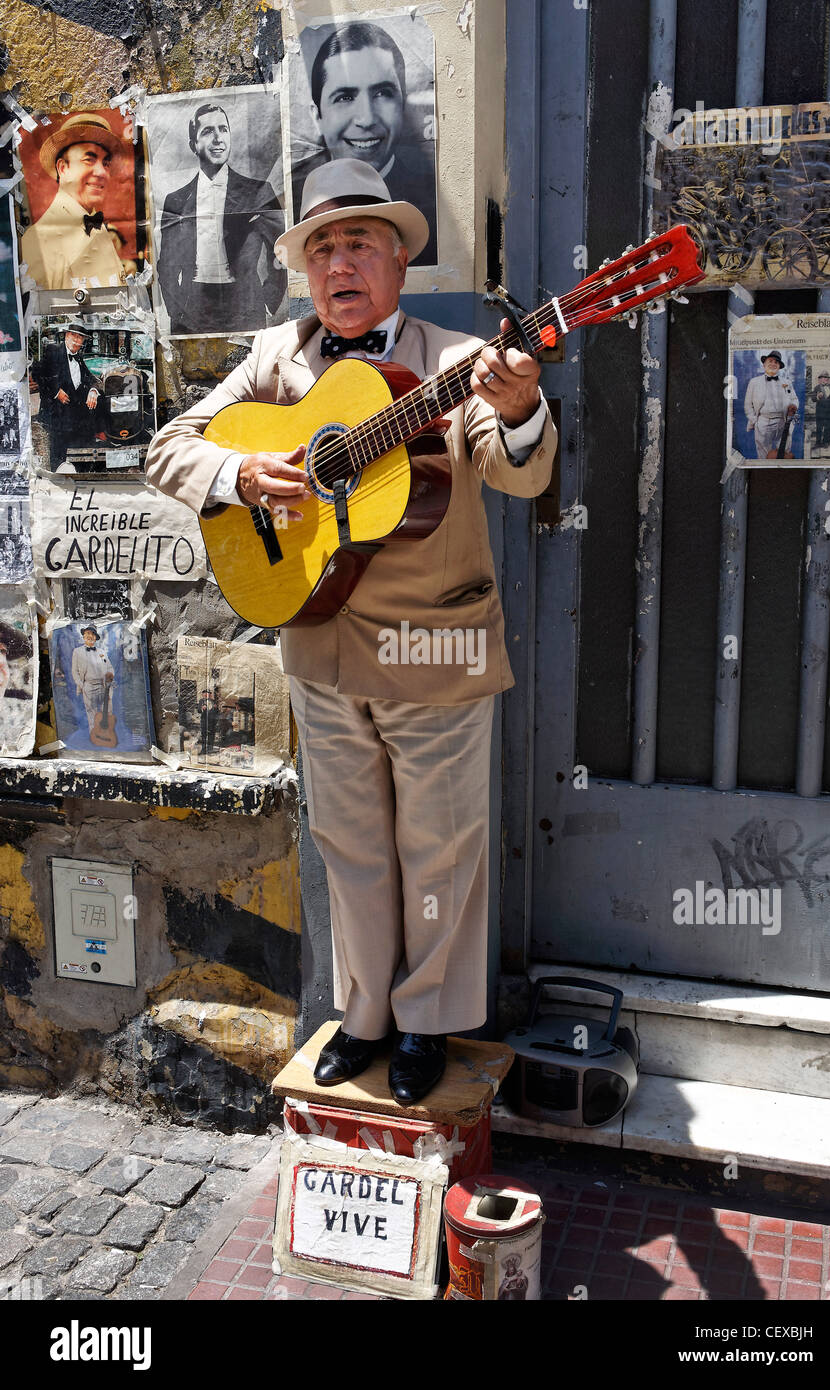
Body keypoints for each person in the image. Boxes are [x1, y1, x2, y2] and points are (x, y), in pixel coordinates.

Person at [147, 159, 556, 1104]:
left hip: (436, 650)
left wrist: (521, 406)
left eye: (358, 243)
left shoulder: (457, 365)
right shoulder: (274, 360)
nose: (338, 263)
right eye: (321, 246)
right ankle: (365, 1013)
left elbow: (520, 474)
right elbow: (170, 446)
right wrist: (241, 478)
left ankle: (425, 1023)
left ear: (399, 262)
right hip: (321, 645)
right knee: (351, 840)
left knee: (438, 847)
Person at [291, 21, 437, 266]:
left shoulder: (429, 211)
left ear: (402, 105)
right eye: (345, 97)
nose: (366, 119)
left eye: (382, 94)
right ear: (317, 117)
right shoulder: (296, 202)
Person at [158, 102, 286, 335]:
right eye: (207, 131)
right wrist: (177, 312)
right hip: (193, 307)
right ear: (193, 145)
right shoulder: (175, 200)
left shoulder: (258, 191)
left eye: (223, 129)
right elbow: (165, 266)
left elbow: (281, 248)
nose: (218, 138)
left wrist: (269, 301)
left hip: (245, 304)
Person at [20, 113, 128, 290]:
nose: (101, 172)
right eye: (89, 160)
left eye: (106, 163)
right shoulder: (37, 241)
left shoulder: (98, 228)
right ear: (63, 168)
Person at [33, 319, 107, 470]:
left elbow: (91, 378)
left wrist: (93, 391)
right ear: (67, 336)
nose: (76, 340)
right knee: (58, 457)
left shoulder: (78, 357)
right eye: (73, 335)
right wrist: (55, 391)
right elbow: (37, 373)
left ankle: (82, 472)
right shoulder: (53, 350)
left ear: (83, 341)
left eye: (80, 337)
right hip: (56, 416)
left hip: (75, 417)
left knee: (79, 453)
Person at [743, 350, 798, 458]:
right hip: (763, 421)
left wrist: (794, 406)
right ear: (764, 364)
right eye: (770, 361)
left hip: (783, 421)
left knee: (784, 452)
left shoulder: (786, 382)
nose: (773, 364)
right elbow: (748, 405)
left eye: (776, 362)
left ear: (779, 366)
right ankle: (764, 472)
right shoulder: (754, 382)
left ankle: (781, 472)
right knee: (763, 454)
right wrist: (755, 421)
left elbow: (794, 398)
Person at [70, 625, 114, 733]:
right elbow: (74, 671)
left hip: (103, 686)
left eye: (93, 634)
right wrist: (82, 685)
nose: (90, 636)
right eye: (88, 633)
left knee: (107, 711)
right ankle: (94, 736)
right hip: (88, 686)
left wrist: (110, 677)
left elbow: (109, 667)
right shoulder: (77, 651)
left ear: (96, 638)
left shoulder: (101, 652)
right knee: (92, 712)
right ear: (84, 636)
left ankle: (106, 735)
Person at [812, 370, 830, 453]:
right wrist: (818, 397)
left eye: (827, 377)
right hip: (820, 411)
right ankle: (818, 442)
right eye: (823, 377)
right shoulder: (817, 388)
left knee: (828, 427)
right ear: (820, 379)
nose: (825, 379)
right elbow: (813, 399)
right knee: (819, 427)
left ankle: (826, 442)